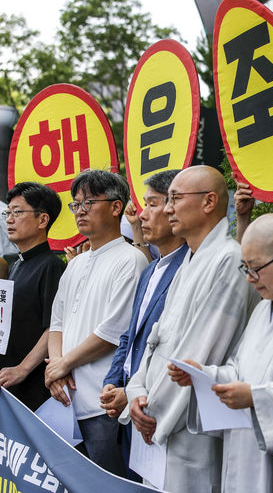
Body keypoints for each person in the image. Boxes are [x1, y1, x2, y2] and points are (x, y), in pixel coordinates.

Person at [121, 165, 258, 493]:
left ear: (209, 202)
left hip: (184, 422)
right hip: (156, 417)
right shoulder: (189, 261)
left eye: (175, 199)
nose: (167, 209)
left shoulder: (228, 260)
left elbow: (200, 355)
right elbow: (156, 339)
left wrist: (153, 413)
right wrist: (136, 392)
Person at [168, 213, 273, 493]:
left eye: (256, 269)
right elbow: (238, 367)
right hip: (242, 444)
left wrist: (255, 396)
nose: (250, 279)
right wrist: (205, 375)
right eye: (245, 269)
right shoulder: (263, 308)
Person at [46, 169, 147, 475]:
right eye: (75, 204)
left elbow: (112, 332)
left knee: (108, 482)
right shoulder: (75, 264)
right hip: (65, 401)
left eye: (88, 202)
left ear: (117, 207)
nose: (80, 211)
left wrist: (63, 365)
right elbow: (57, 323)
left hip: (103, 403)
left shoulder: (131, 260)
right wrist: (56, 368)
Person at [99, 169, 187, 481]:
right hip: (129, 407)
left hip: (157, 410)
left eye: (152, 205)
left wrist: (133, 392)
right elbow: (130, 334)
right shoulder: (151, 271)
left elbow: (173, 349)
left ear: (175, 206)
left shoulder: (189, 269)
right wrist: (113, 383)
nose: (142, 215)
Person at [0, 182, 66, 411]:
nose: (9, 219)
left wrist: (22, 368)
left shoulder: (52, 266)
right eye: (8, 212)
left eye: (17, 212)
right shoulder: (15, 265)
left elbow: (53, 328)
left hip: (32, 386)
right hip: (5, 378)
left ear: (43, 220)